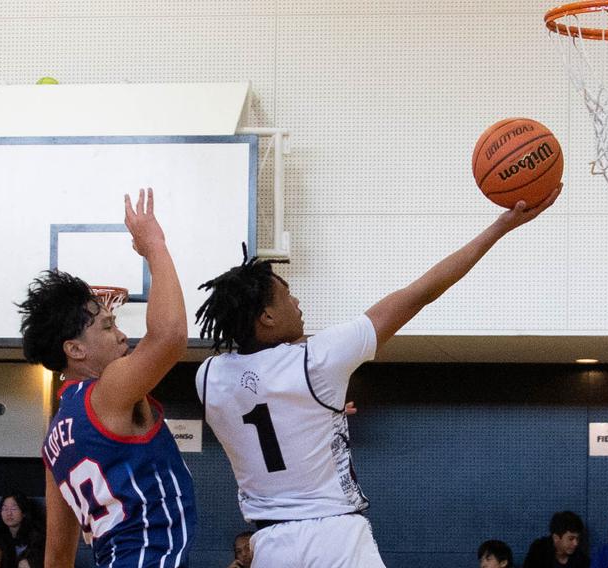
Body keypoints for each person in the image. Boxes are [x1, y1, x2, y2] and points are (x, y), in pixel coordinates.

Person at [195, 187, 561, 568]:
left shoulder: (209, 378)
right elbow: (420, 292)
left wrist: (319, 415)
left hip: (269, 545)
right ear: (266, 318)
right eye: (287, 296)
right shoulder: (319, 359)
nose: (298, 303)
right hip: (333, 538)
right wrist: (501, 226)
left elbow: (266, 410)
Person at [19, 189, 196, 567]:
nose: (122, 336)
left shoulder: (53, 441)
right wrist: (155, 247)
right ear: (76, 350)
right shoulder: (108, 390)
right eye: (108, 325)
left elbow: (58, 556)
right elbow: (169, 337)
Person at [0, 494, 43, 568]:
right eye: (4, 509)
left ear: (24, 512)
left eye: (14, 509)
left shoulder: (36, 535)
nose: (9, 513)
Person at [523, 510, 591, 568]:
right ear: (556, 538)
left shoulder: (581, 560)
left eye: (578, 538)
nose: (576, 543)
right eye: (571, 539)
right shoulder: (539, 551)